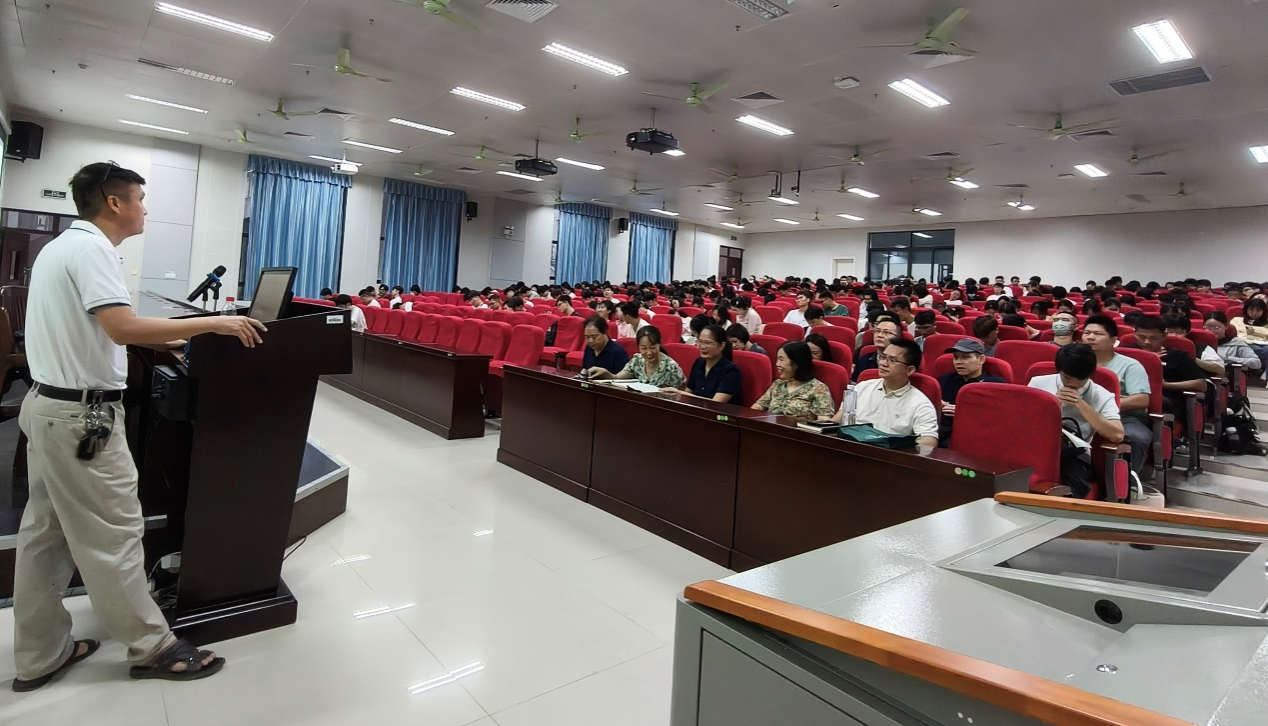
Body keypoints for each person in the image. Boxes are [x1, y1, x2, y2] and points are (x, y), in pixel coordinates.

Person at [11, 162, 267, 690]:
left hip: (47, 408)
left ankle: (41, 655)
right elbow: (121, 326)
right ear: (114, 203)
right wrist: (216, 323)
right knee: (114, 534)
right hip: (82, 418)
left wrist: (167, 337)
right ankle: (154, 647)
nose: (145, 209)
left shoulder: (60, 246)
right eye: (140, 199)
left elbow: (96, 329)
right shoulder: (94, 250)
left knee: (45, 536)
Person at [833, 338, 938, 447]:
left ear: (910, 370)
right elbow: (838, 419)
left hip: (889, 453)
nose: (883, 363)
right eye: (883, 357)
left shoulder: (920, 404)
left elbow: (929, 441)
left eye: (892, 360)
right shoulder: (861, 387)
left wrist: (898, 448)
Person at [1082, 315, 1152, 474]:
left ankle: (1127, 481)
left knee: (1136, 437)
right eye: (1087, 333)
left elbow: (1141, 400)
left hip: (1123, 416)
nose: (1090, 337)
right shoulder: (1073, 362)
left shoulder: (1130, 365)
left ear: (1113, 340)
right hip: (1078, 413)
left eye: (1098, 334)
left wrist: (1105, 407)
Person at [1028, 343, 1124, 444]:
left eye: (1081, 379)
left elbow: (1117, 436)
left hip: (1075, 449)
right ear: (1059, 370)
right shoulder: (1038, 383)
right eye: (1067, 378)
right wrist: (1052, 406)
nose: (1073, 384)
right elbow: (1024, 420)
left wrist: (1080, 404)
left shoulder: (1102, 395)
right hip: (1037, 442)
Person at [1133, 316, 1209, 428]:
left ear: (1164, 336)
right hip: (1129, 395)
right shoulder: (1127, 352)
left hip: (1166, 399)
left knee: (1152, 402)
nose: (1147, 342)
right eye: (1141, 337)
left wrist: (1167, 384)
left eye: (1153, 338)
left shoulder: (1177, 356)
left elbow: (1202, 384)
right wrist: (1147, 359)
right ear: (1135, 334)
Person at [935, 338, 1006, 445]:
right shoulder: (945, 379)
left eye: (966, 357)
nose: (959, 362)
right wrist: (936, 404)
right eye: (956, 357)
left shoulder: (995, 385)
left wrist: (967, 412)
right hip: (939, 432)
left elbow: (999, 418)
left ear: (981, 359)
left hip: (975, 436)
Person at [751, 341, 836, 420]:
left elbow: (823, 420)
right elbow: (758, 406)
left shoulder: (818, 389)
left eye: (781, 360)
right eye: (777, 359)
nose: (777, 364)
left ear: (796, 363)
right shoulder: (777, 384)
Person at [586, 327, 684, 388]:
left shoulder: (671, 367)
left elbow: (681, 394)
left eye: (652, 347)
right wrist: (606, 373)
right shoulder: (637, 360)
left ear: (659, 344)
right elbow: (617, 378)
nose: (648, 353)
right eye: (644, 348)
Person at [670, 324, 742, 403]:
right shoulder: (698, 363)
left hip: (718, 411)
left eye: (708, 343)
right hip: (695, 408)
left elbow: (716, 403)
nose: (702, 347)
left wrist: (679, 392)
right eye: (700, 342)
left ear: (721, 346)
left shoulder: (731, 371)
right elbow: (688, 392)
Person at [853, 317, 901, 382]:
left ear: (897, 337)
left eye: (886, 332)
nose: (880, 335)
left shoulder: (902, 362)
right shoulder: (863, 360)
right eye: (877, 331)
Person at [1231, 297, 1268, 375]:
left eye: (1258, 310)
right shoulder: (1237, 320)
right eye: (1251, 310)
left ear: (1263, 311)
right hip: (1244, 344)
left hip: (1264, 345)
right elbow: (1233, 333)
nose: (1254, 313)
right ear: (1246, 310)